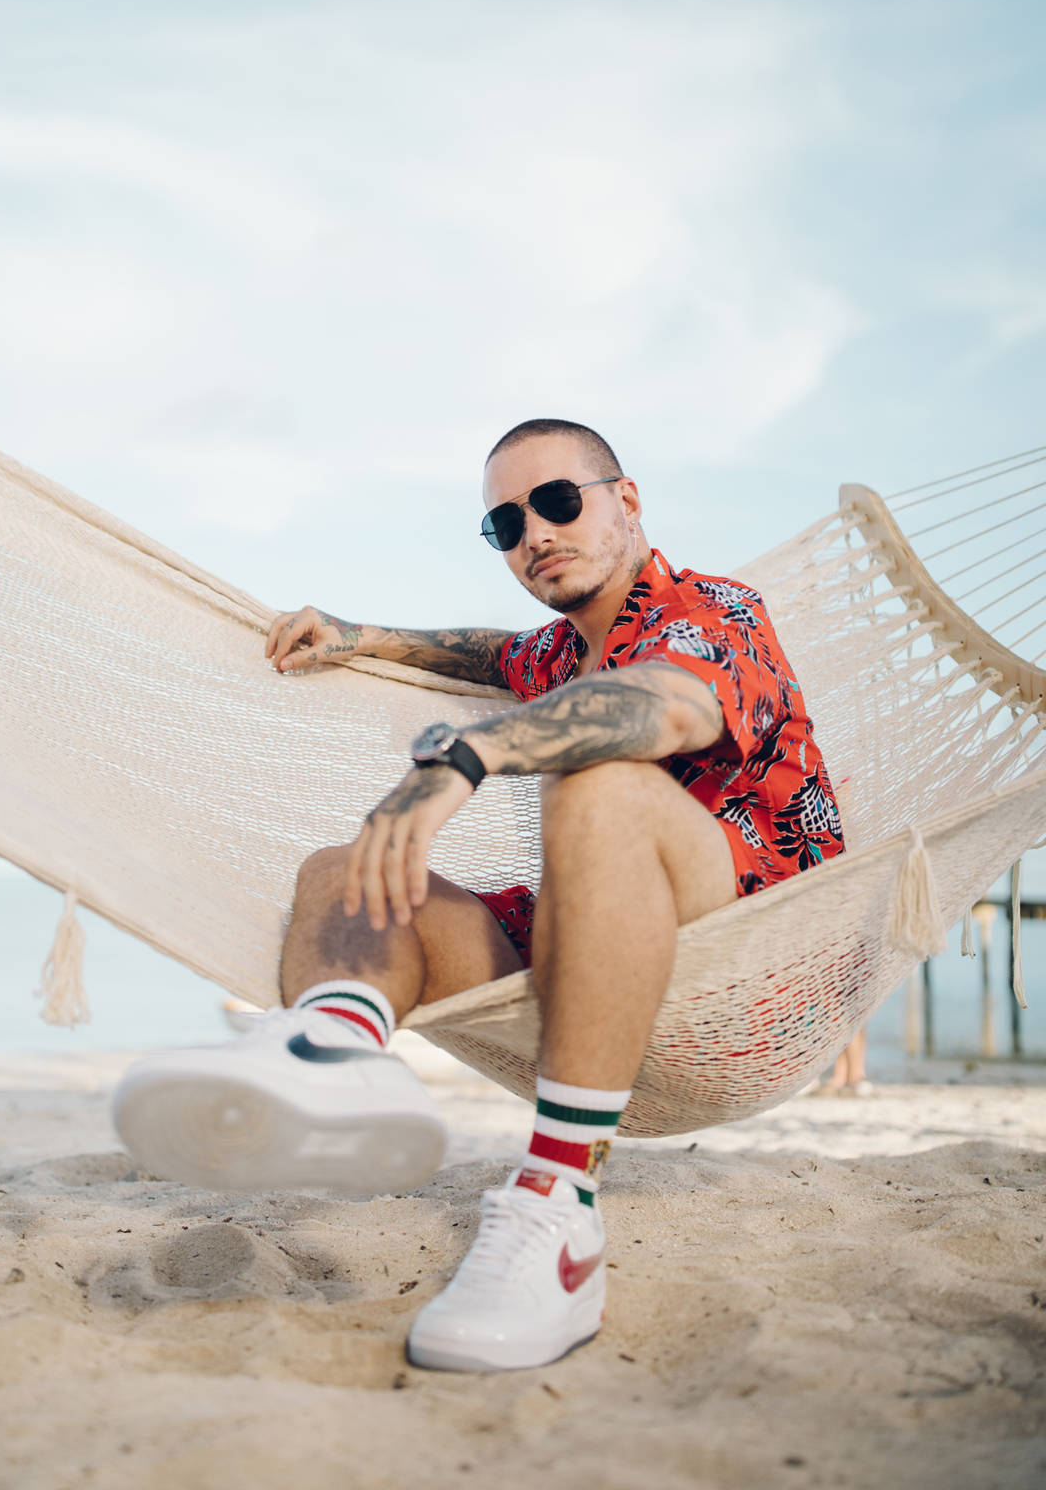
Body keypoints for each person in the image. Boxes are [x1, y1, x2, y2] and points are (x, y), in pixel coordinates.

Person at [113, 418, 844, 1372]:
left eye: (557, 501)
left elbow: (661, 703)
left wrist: (467, 753)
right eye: (505, 523)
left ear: (626, 502)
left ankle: (557, 1208)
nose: (534, 533)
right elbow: (492, 654)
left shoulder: (710, 612)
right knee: (341, 872)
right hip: (595, 966)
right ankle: (337, 1046)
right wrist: (357, 636)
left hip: (739, 963)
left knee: (600, 775)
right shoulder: (556, 654)